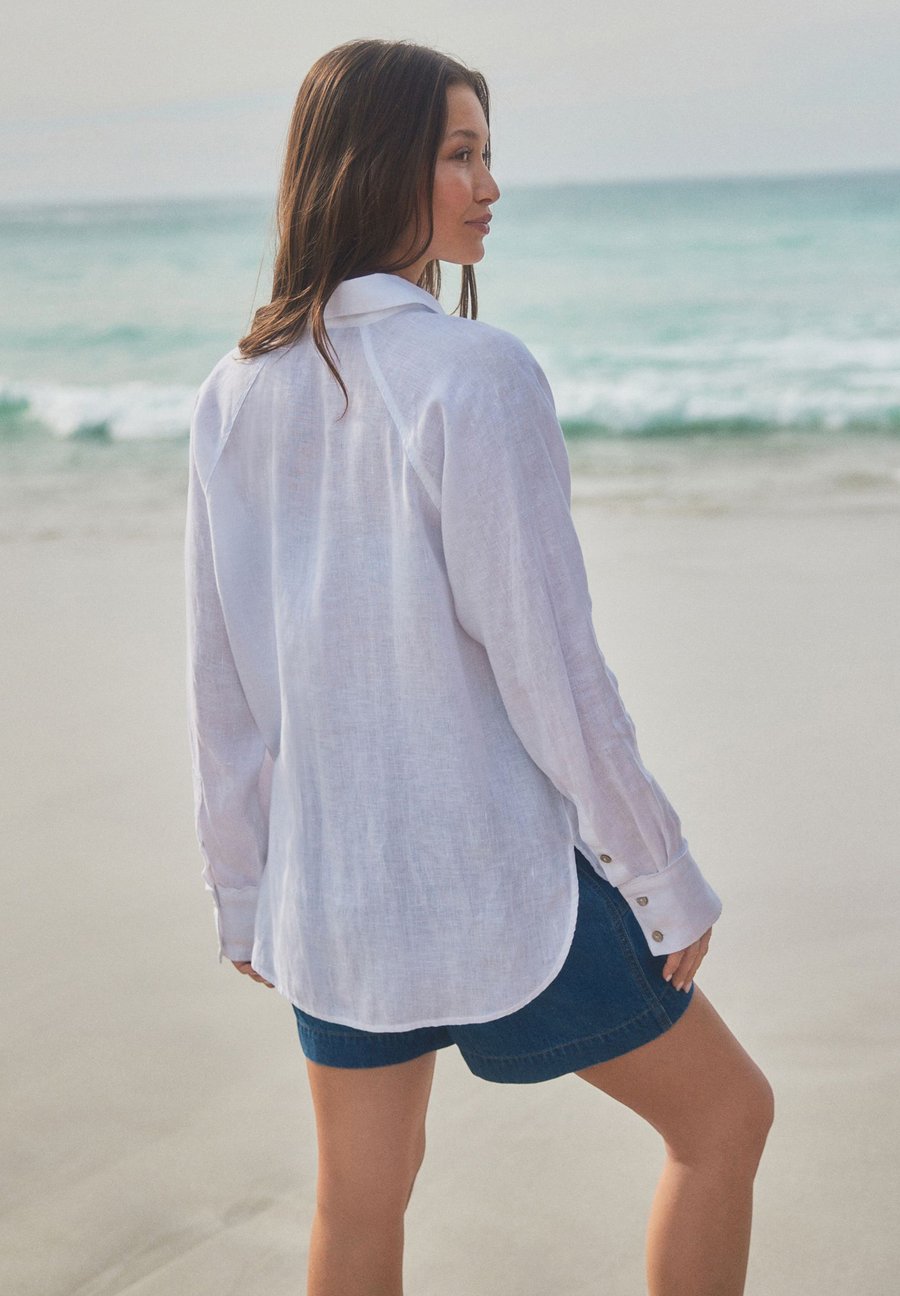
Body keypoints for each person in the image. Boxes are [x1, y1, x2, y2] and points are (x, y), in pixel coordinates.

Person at [184, 37, 773, 1296]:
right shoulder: (476, 372)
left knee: (358, 1205)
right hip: (494, 878)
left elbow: (219, 677)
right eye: (460, 155)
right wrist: (660, 871)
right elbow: (552, 667)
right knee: (727, 1121)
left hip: (337, 891)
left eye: (487, 154)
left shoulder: (235, 389)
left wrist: (245, 885)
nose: (490, 186)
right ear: (377, 165)